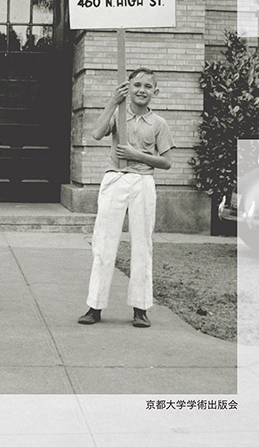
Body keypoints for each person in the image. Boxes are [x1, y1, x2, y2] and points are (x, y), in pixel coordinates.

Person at [78, 67, 174, 328]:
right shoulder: (119, 114)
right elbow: (97, 134)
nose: (141, 90)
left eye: (147, 86)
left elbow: (166, 162)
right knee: (103, 242)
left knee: (142, 245)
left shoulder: (159, 123)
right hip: (115, 178)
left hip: (143, 181)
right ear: (128, 87)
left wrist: (136, 154)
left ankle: (140, 308)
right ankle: (95, 306)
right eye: (137, 85)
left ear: (156, 91)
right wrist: (112, 102)